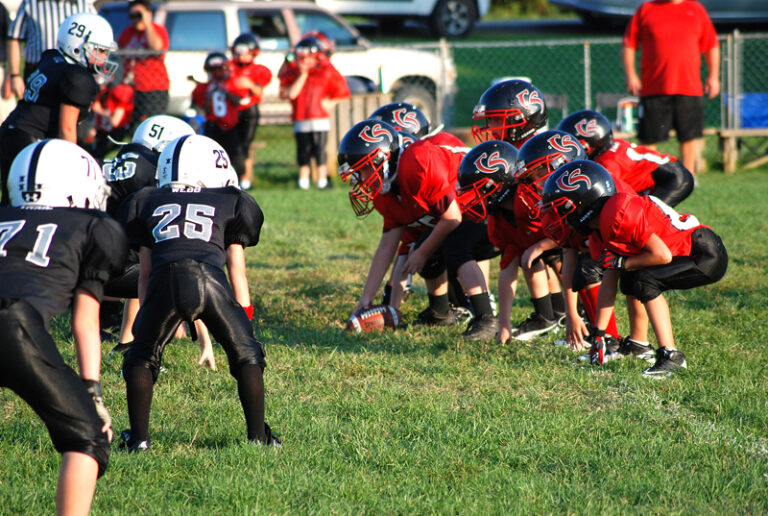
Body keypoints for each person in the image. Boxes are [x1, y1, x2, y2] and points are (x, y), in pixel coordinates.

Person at [119, 134, 280, 450]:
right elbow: (238, 270)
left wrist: (144, 320)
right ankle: (259, 438)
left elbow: (146, 273)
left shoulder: (145, 200)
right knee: (247, 356)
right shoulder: (229, 201)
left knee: (141, 356)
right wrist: (244, 322)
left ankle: (139, 440)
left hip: (165, 278)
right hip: (210, 279)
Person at [0, 138, 128, 515]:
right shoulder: (91, 225)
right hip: (13, 324)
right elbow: (86, 320)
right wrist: (92, 392)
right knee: (87, 438)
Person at [540, 160, 728, 377]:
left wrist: (623, 263)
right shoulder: (598, 233)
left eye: (562, 210)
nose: (558, 219)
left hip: (703, 253)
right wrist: (599, 334)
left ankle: (671, 356)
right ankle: (638, 345)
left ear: (584, 204)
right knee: (630, 278)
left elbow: (662, 255)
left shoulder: (616, 213)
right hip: (686, 251)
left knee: (643, 279)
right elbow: (608, 284)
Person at [338, 120, 499, 340]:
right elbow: (387, 246)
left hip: (488, 204)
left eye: (364, 169)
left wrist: (421, 253)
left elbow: (451, 218)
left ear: (382, 158)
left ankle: (487, 318)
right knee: (425, 247)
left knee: (451, 245)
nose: (362, 179)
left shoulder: (416, 161)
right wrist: (367, 300)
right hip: (457, 212)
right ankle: (440, 313)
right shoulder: (387, 192)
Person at [102, 114, 196, 358]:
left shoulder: (116, 162)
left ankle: (126, 341)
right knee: (167, 276)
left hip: (82, 250)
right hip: (100, 264)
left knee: (144, 259)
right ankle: (148, 345)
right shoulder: (152, 171)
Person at [0, 12, 116, 205]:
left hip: (11, 131)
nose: (104, 57)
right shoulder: (77, 77)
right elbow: (67, 129)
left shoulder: (52, 59)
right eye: (100, 50)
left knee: (10, 202)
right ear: (78, 48)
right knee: (37, 203)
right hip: (29, 140)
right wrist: (72, 165)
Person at [622, 0, 720, 177]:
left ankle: (689, 177)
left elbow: (712, 45)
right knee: (649, 138)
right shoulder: (646, 9)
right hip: (653, 87)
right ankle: (647, 177)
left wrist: (713, 76)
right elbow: (629, 44)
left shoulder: (695, 9)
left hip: (689, 87)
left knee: (689, 136)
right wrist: (631, 75)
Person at [558, 109, 694, 207]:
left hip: (670, 179)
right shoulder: (614, 145)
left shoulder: (608, 162)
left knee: (647, 220)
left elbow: (608, 193)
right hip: (672, 171)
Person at [279, 35, 350, 190]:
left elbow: (342, 89)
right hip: (301, 117)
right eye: (302, 58)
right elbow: (289, 93)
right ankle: (303, 181)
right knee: (303, 151)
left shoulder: (326, 70)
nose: (305, 61)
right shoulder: (293, 72)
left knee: (320, 150)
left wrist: (331, 102)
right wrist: (302, 74)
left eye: (308, 58)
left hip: (319, 118)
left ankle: (322, 180)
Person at [5, 0, 95, 97]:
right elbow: (14, 37)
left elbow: (97, 40)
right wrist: (14, 74)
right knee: (39, 110)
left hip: (74, 73)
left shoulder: (84, 5)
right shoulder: (30, 3)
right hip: (38, 72)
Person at [118, 0, 170, 132]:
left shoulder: (158, 30)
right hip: (130, 88)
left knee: (150, 126)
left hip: (152, 89)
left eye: (139, 15)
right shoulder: (128, 32)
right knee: (129, 127)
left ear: (149, 14)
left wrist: (147, 23)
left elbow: (157, 48)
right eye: (132, 16)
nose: (135, 20)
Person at [191, 52, 245, 177]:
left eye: (220, 69)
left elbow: (238, 102)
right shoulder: (203, 88)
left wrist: (225, 91)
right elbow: (205, 110)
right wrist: (210, 94)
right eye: (213, 69)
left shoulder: (233, 84)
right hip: (213, 125)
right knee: (210, 157)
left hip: (231, 126)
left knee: (237, 157)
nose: (217, 73)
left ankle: (240, 181)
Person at [230, 32, 272, 190]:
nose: (240, 56)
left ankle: (245, 179)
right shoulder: (230, 67)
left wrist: (248, 84)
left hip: (249, 111)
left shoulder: (259, 70)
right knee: (233, 145)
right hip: (231, 112)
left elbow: (259, 93)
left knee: (244, 146)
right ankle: (234, 178)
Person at [471, 78, 548, 149]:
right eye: (490, 119)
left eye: (498, 119)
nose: (491, 125)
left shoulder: (533, 153)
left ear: (521, 122)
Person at [90, 77, 135, 159]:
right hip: (102, 134)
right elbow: (95, 122)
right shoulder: (98, 96)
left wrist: (100, 110)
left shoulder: (116, 95)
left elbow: (115, 122)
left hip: (115, 135)